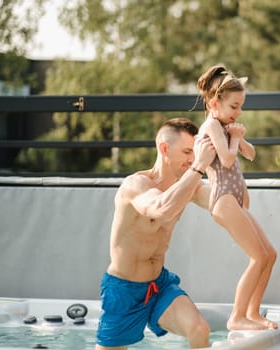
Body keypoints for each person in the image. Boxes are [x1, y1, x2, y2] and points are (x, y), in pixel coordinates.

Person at [95, 118, 216, 349]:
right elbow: (161, 208)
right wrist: (198, 167)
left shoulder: (188, 185)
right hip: (124, 290)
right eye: (187, 151)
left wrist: (226, 159)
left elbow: (233, 203)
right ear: (164, 149)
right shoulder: (135, 185)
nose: (192, 159)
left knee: (199, 329)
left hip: (159, 285)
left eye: (195, 152)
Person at [195, 64, 277, 330]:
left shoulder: (225, 125)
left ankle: (252, 313)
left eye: (241, 107)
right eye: (234, 107)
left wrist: (239, 136)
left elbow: (250, 154)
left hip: (234, 200)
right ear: (214, 103)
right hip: (223, 199)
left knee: (270, 254)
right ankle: (237, 317)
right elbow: (228, 160)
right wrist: (234, 139)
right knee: (258, 257)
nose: (238, 113)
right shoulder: (211, 126)